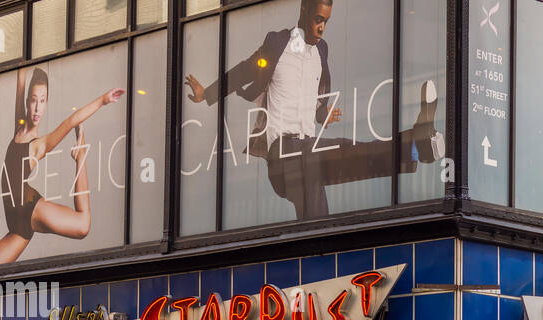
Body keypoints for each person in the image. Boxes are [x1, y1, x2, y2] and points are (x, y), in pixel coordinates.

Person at [183, 0, 442, 221]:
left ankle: (418, 146)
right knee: (322, 160)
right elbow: (244, 70)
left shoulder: (322, 50)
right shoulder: (278, 42)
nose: (322, 27)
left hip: (309, 150)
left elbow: (314, 98)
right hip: (282, 154)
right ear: (304, 11)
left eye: (326, 22)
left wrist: (322, 113)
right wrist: (208, 93)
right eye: (318, 19)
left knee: (354, 155)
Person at [0, 66, 124, 266]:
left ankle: (80, 154)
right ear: (27, 101)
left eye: (42, 100)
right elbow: (20, 78)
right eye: (33, 100)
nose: (37, 108)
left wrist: (102, 100)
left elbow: (70, 121)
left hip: (30, 210)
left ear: (47, 103)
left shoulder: (39, 145)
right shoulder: (19, 127)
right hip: (16, 228)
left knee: (82, 225)